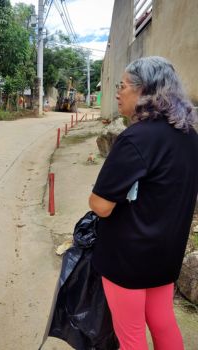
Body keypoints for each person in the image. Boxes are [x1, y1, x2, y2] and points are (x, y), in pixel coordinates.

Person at [88, 56, 198, 350]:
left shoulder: (137, 137)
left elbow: (100, 205)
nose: (117, 92)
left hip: (129, 257)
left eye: (122, 86)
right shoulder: (189, 135)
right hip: (166, 252)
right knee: (163, 321)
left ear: (143, 90)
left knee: (131, 335)